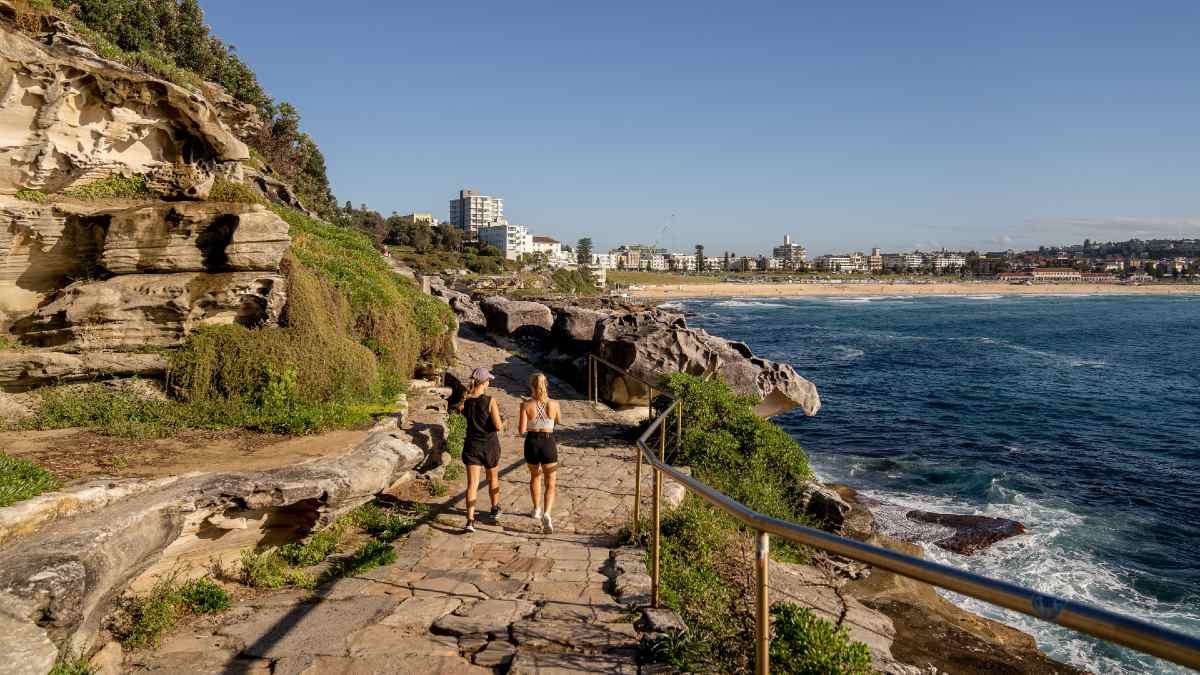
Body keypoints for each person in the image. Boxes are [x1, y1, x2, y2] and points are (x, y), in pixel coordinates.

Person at [457, 367, 504, 533]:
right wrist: (503, 423)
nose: (489, 382)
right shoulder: (490, 401)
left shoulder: (466, 402)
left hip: (472, 446)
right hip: (490, 446)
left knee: (472, 484)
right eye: (488, 380)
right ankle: (494, 508)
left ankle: (470, 521)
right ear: (483, 383)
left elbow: (462, 412)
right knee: (493, 479)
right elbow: (497, 426)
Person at [519, 372, 561, 533]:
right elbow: (558, 420)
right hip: (548, 442)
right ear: (546, 385)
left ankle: (536, 508)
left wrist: (526, 406)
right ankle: (547, 513)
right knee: (551, 482)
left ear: (532, 386)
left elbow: (521, 430)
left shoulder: (526, 405)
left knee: (535, 476)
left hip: (531, 442)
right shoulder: (554, 404)